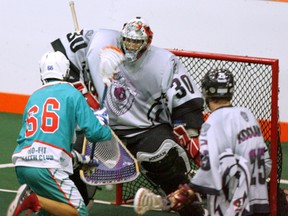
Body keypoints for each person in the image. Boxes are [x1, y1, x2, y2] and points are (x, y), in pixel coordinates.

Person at [51, 17, 204, 215]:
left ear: (147, 42)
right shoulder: (100, 41)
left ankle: (190, 204)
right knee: (73, 158)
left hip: (148, 128)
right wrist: (83, 93)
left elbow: (187, 104)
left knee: (164, 159)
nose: (131, 45)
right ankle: (76, 204)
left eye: (137, 42)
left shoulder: (164, 62)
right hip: (104, 126)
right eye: (128, 40)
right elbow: (61, 55)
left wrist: (193, 135)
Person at [135, 68, 272, 215]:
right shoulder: (247, 114)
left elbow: (211, 169)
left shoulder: (213, 124)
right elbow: (266, 161)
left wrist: (186, 192)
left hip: (236, 200)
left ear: (206, 92)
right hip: (258, 197)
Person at [7, 51, 112, 216]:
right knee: (77, 213)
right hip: (47, 166)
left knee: (51, 212)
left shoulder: (34, 97)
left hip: (23, 164)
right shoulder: (72, 93)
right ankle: (34, 200)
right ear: (66, 71)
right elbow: (95, 133)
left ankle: (35, 200)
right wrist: (104, 124)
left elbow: (26, 138)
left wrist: (77, 159)